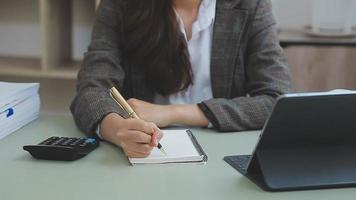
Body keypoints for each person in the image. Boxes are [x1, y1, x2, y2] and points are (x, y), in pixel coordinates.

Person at [71, 0, 292, 158]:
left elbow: (276, 99)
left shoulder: (251, 6)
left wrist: (172, 113)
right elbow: (92, 89)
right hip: (142, 156)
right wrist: (117, 129)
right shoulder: (119, 5)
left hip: (222, 154)